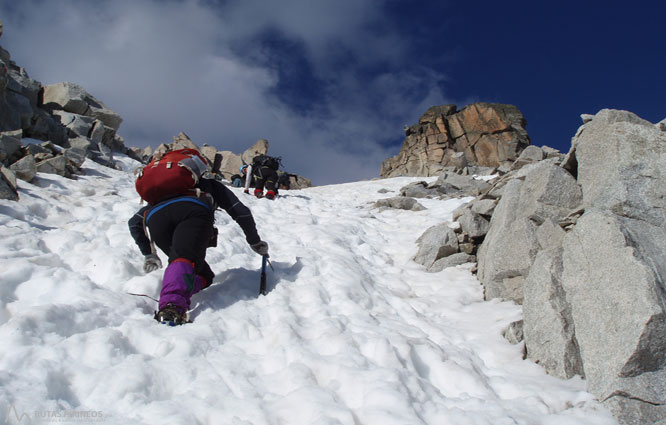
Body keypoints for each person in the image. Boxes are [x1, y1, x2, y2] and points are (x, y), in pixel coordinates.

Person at [128, 174, 269, 325]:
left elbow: (134, 223)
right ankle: (171, 308)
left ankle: (179, 291)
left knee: (204, 274)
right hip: (193, 212)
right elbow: (240, 211)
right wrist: (254, 241)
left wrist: (148, 254)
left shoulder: (163, 192)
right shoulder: (208, 185)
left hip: (156, 220)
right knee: (183, 258)